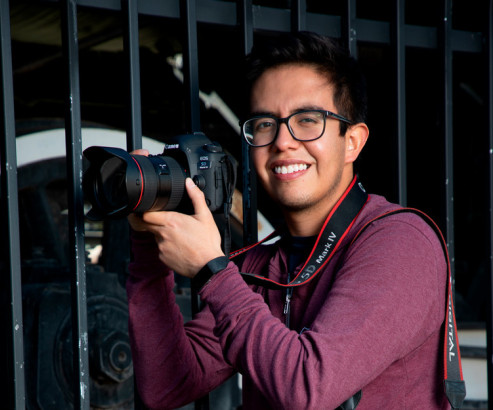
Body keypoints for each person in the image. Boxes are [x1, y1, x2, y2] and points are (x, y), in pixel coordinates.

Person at [126, 32, 451, 409]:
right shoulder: (263, 266)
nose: (283, 141)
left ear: (353, 142)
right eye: (265, 124)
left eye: (308, 120)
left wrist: (212, 271)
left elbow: (309, 388)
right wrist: (149, 249)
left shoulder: (400, 242)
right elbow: (168, 385)